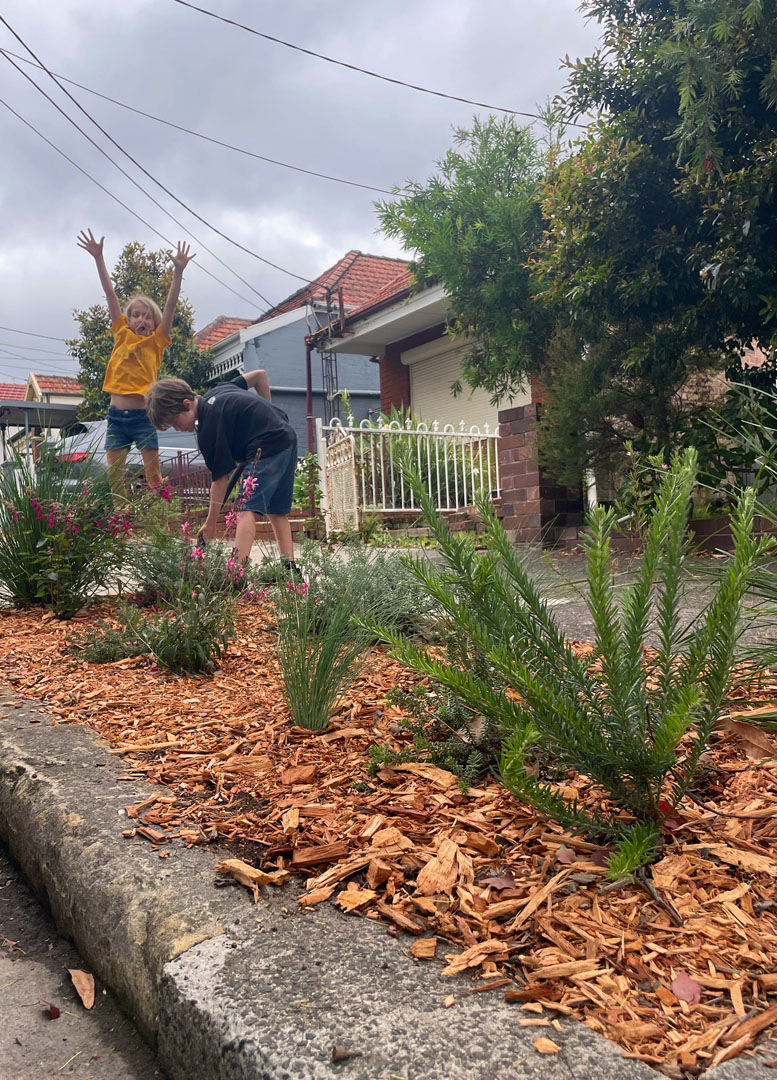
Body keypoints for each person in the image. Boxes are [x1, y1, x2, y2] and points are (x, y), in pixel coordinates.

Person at [77, 229, 195, 498]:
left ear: (154, 324)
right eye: (136, 316)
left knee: (154, 478)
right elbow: (110, 295)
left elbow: (171, 305)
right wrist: (99, 258)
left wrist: (177, 272)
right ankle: (122, 523)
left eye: (147, 317)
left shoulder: (157, 341)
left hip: (143, 417)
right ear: (128, 320)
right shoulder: (121, 333)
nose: (141, 320)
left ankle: (163, 523)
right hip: (116, 418)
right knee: (115, 479)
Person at [144, 372, 300, 574]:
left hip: (267, 444)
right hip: (286, 436)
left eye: (175, 421)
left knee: (245, 509)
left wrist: (210, 525)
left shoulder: (209, 427)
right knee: (277, 512)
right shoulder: (220, 390)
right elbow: (259, 376)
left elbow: (220, 480)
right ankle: (290, 571)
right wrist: (267, 411)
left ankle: (236, 574)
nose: (178, 428)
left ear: (186, 404)